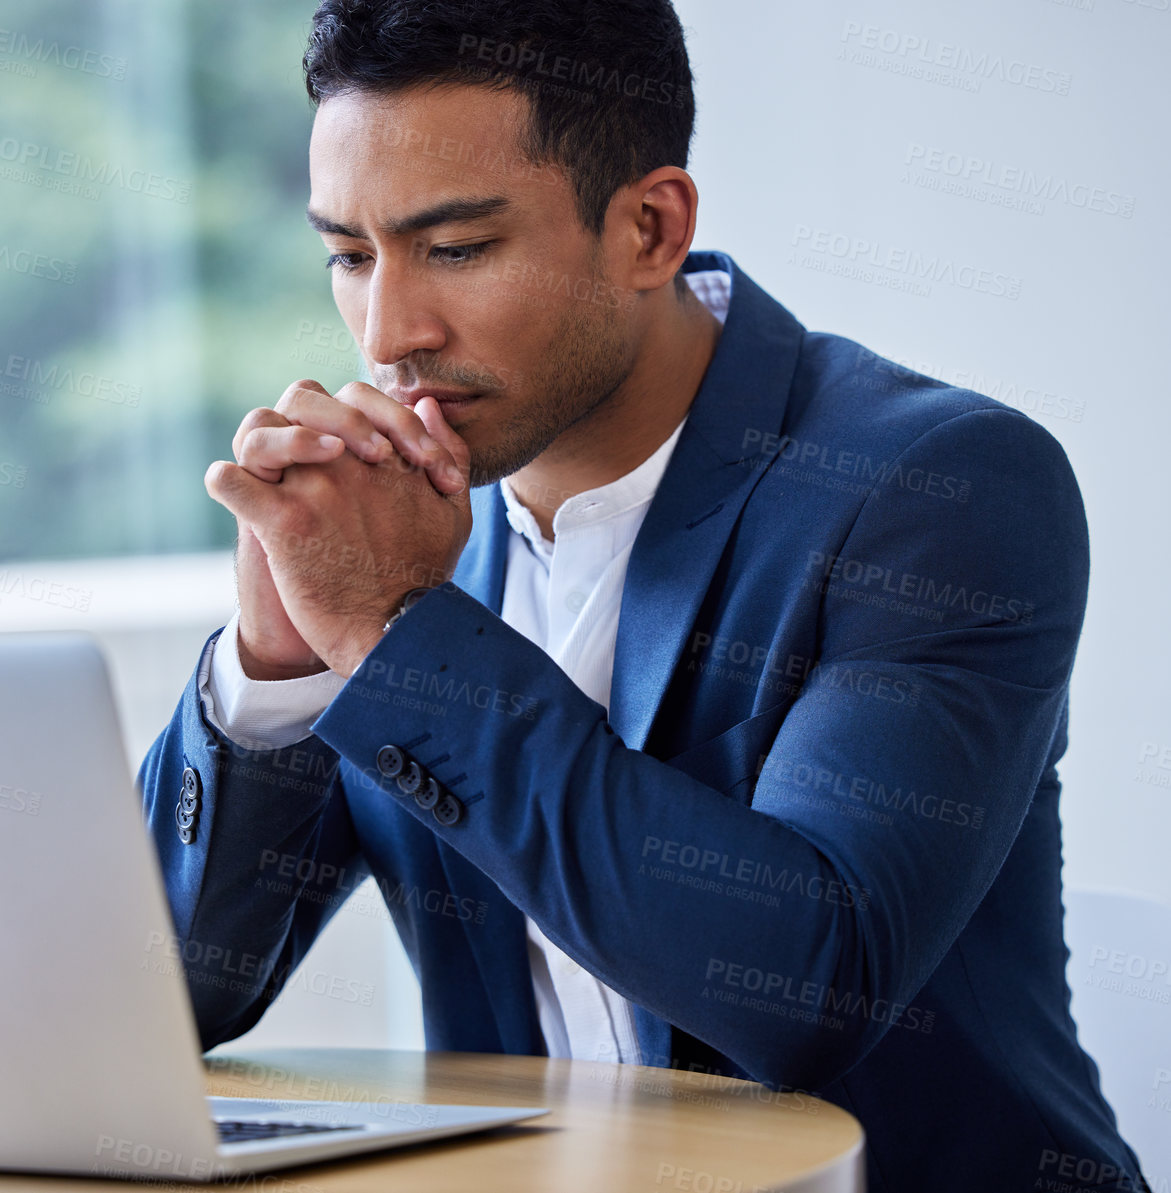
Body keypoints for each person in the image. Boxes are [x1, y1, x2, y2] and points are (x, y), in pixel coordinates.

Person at [136, 2, 1148, 1189]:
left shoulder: (934, 488)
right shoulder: (398, 527)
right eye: (351, 255)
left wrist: (392, 632)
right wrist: (276, 660)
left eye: (454, 248)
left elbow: (803, 987)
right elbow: (166, 1000)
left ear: (649, 228)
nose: (386, 332)